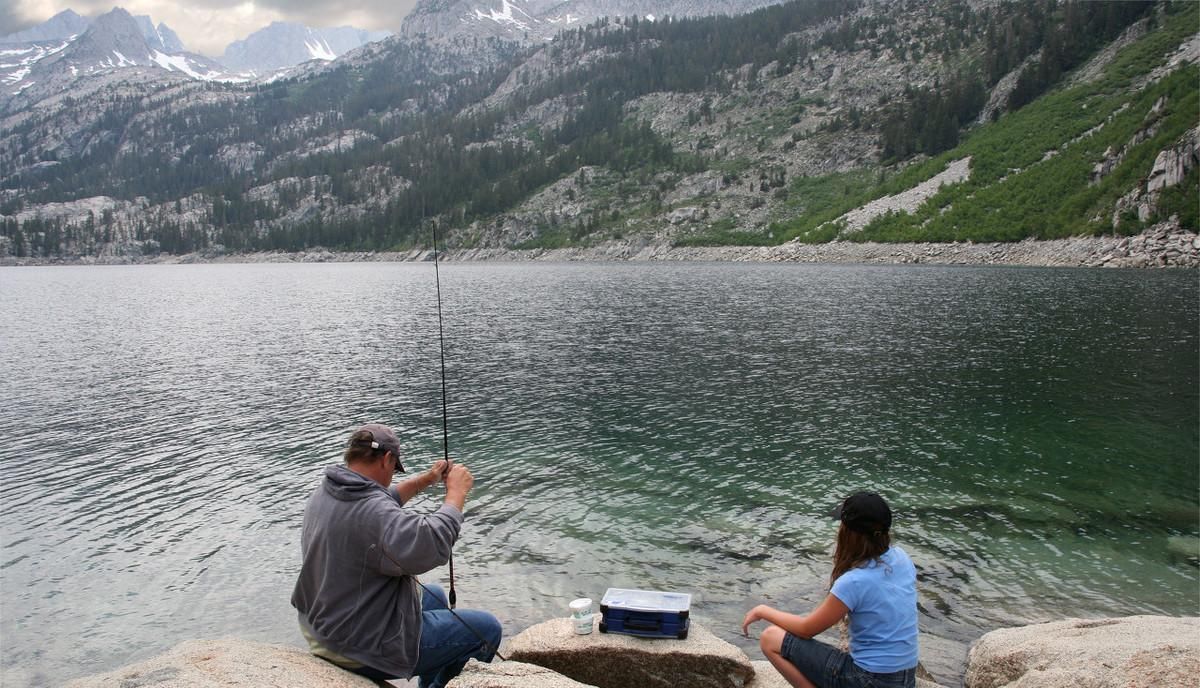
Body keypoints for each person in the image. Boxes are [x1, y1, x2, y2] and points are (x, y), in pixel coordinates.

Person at [291, 423, 502, 688]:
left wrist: (427, 479)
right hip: (358, 646)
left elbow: (383, 499)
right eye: (393, 468)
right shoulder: (373, 512)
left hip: (323, 626)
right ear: (387, 458)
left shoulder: (329, 491)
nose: (392, 475)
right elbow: (430, 545)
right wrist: (456, 494)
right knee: (487, 629)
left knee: (434, 594)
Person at [742, 492, 918, 688]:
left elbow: (807, 629)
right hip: (905, 679)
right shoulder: (902, 558)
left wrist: (762, 610)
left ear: (849, 533)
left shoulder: (855, 581)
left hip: (868, 681)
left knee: (770, 638)